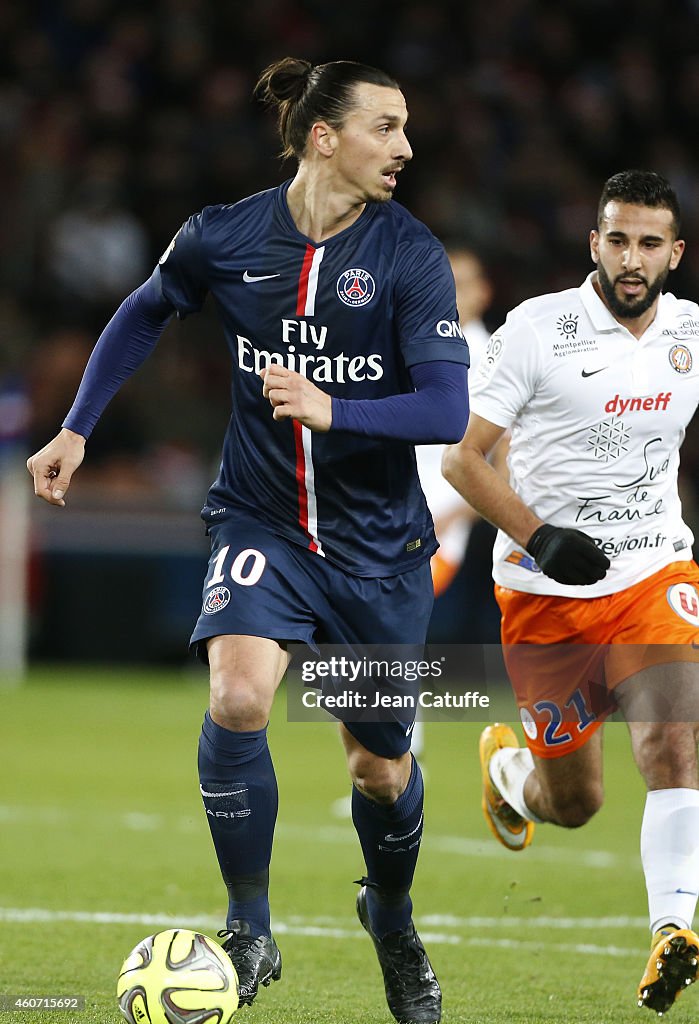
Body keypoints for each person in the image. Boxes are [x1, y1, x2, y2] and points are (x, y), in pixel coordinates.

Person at [27, 58, 469, 1024]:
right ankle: (249, 929)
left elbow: (445, 405)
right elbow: (145, 311)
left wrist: (330, 404)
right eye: (385, 127)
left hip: (377, 550)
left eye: (405, 129)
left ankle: (389, 919)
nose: (404, 147)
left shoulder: (410, 254)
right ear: (324, 136)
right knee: (236, 696)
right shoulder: (223, 236)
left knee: (379, 769)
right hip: (259, 519)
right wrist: (77, 426)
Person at [442, 168, 699, 1016]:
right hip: (543, 592)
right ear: (594, 243)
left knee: (672, 742)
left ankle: (672, 929)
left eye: (649, 243)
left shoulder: (691, 334)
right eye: (617, 239)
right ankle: (513, 776)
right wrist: (539, 537)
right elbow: (463, 460)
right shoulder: (535, 330)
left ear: (674, 253)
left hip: (652, 570)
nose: (632, 259)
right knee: (576, 802)